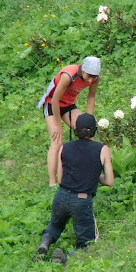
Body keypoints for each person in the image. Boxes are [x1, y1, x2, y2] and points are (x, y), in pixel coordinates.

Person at [33, 113, 114, 264]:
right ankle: (64, 258)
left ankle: (44, 243)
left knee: (55, 225)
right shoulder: (102, 149)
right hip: (82, 200)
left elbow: (60, 178)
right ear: (95, 129)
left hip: (61, 196)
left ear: (75, 130)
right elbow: (109, 181)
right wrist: (92, 177)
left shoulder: (64, 147)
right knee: (86, 245)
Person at [38, 57, 101, 187]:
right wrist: (58, 125)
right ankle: (52, 183)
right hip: (51, 104)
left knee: (86, 131)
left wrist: (88, 118)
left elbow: (91, 96)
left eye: (93, 77)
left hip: (68, 105)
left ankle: (85, 171)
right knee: (57, 140)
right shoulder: (68, 76)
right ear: (83, 70)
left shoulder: (95, 78)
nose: (90, 80)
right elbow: (55, 99)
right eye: (88, 76)